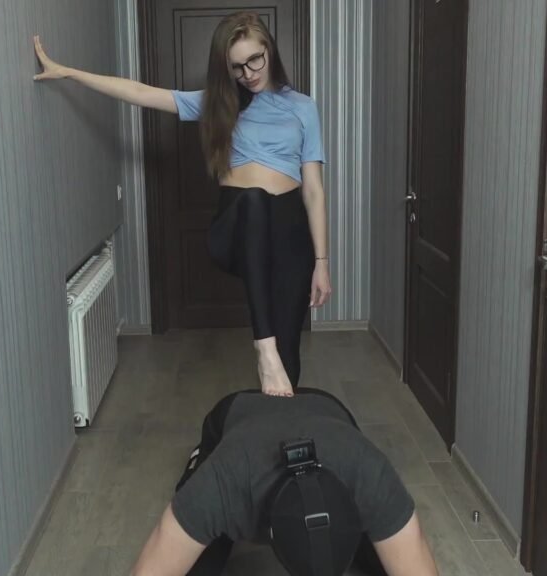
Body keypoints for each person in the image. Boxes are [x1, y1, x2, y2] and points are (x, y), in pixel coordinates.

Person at [33, 11, 332, 397]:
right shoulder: (219, 103)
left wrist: (321, 263)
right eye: (237, 67)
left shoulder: (303, 107)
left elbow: (314, 190)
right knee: (255, 200)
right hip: (237, 224)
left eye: (255, 60)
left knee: (289, 350)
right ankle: (264, 347)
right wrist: (69, 73)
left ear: (269, 50)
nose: (248, 73)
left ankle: (279, 412)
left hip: (289, 230)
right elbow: (141, 92)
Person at [127, 388, 439, 576]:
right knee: (199, 566)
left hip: (324, 407)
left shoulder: (370, 475)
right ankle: (198, 457)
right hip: (241, 410)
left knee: (385, 565)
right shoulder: (222, 482)